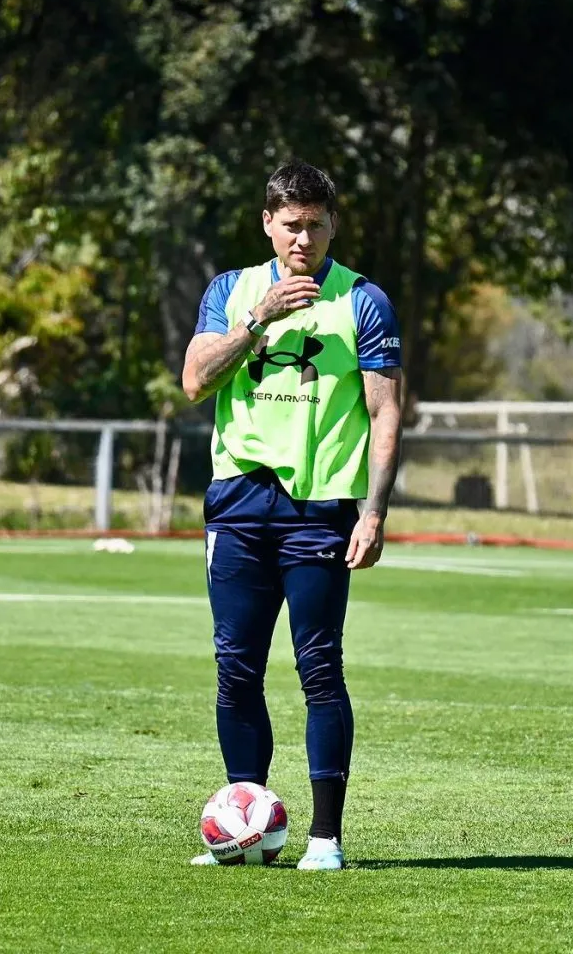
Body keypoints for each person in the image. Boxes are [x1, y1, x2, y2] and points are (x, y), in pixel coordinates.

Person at [181, 160, 402, 870]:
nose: (301, 239)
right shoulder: (230, 291)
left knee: (318, 670)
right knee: (234, 669)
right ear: (267, 224)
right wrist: (259, 318)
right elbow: (194, 381)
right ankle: (249, 829)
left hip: (319, 510)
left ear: (331, 224)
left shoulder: (362, 301)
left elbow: (384, 411)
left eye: (314, 225)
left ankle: (324, 840)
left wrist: (373, 512)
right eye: (290, 226)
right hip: (239, 504)